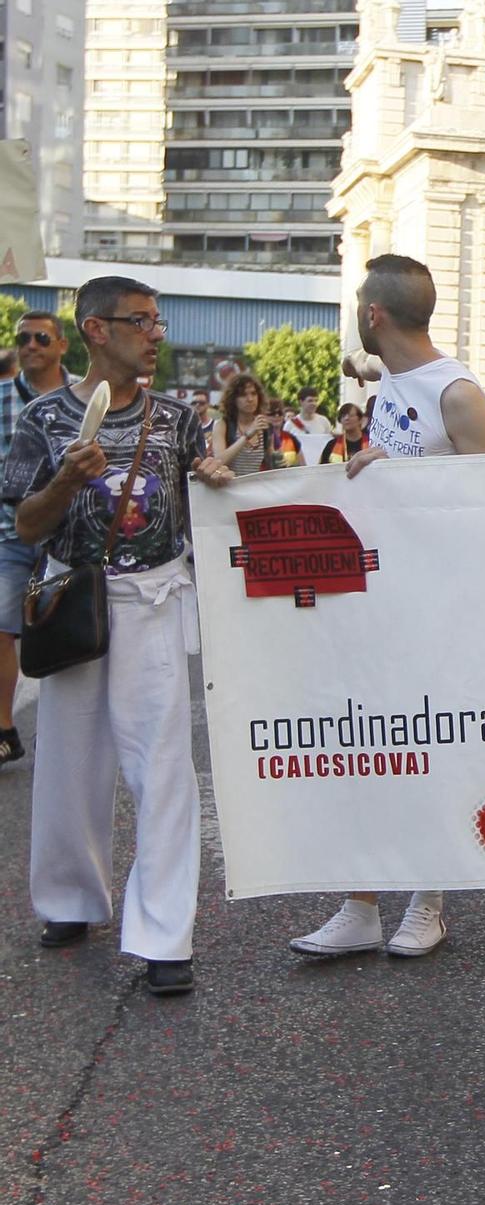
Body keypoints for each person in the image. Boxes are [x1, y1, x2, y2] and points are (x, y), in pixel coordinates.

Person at [0, 276, 235, 996]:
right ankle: (71, 898)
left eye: (158, 322)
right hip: (74, 597)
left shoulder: (177, 417)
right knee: (70, 760)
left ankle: (166, 935)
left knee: (162, 767)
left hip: (153, 599)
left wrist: (216, 477)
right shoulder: (42, 418)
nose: (156, 334)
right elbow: (27, 524)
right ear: (98, 330)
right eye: (142, 321)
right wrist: (68, 481)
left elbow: (202, 506)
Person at [288, 254, 485, 962]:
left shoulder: (460, 392)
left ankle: (429, 901)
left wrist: (402, 480)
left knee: (433, 752)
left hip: (443, 608)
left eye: (358, 303)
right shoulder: (392, 382)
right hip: (379, 600)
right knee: (368, 750)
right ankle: (360, 904)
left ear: (374, 313)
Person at [1, 310, 81, 766]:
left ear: (61, 345)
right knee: (1, 628)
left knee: (68, 635)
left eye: (41, 338)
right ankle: (4, 728)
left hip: (68, 535)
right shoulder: (1, 397)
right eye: (23, 339)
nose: (31, 345)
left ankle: (69, 729)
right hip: (9, 532)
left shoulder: (84, 398)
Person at [211, 372, 275, 477]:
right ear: (233, 399)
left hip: (255, 488)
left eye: (254, 393)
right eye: (243, 395)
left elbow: (270, 460)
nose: (250, 399)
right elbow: (219, 461)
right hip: (230, 486)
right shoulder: (223, 424)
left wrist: (279, 460)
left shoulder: (263, 425)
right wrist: (247, 436)